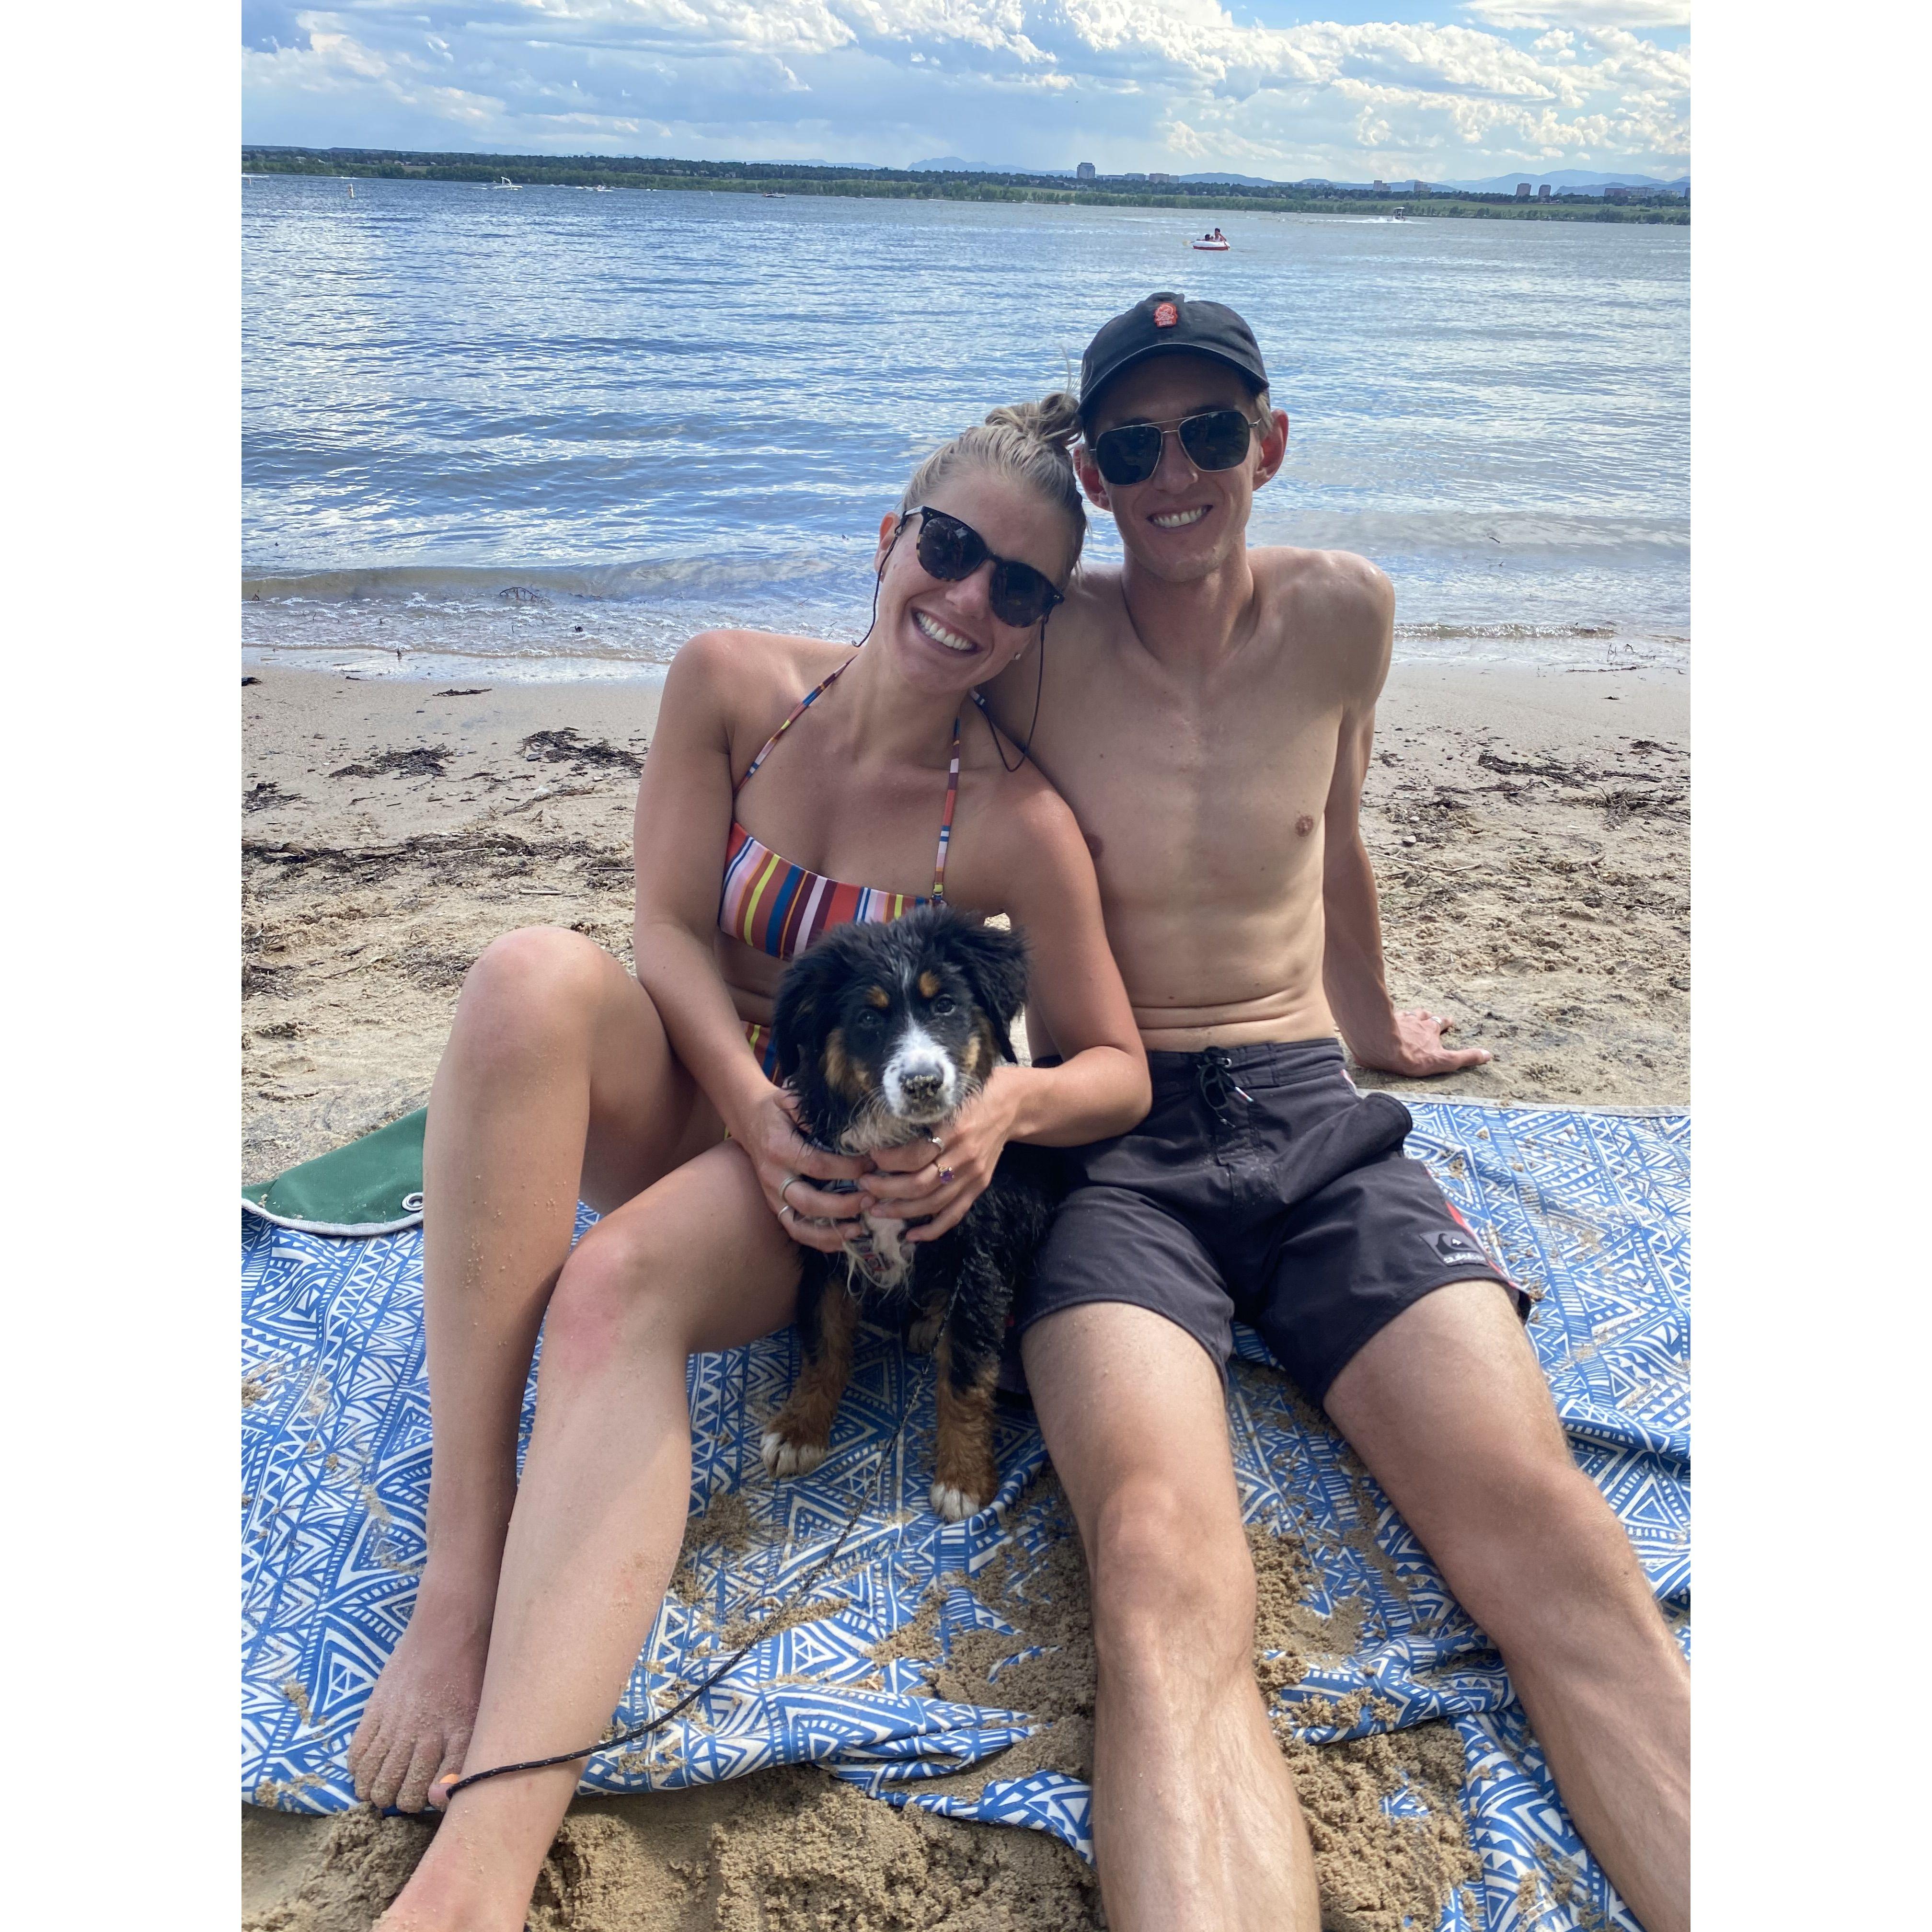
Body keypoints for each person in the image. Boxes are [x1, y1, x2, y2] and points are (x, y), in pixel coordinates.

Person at [351, 398, 1151, 1932]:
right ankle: (463, 1578)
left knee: (607, 1292)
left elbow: (1115, 1067)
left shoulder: (1019, 824)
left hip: (836, 1184)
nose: (970, 598)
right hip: (719, 1098)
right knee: (527, 974)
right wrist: (746, 1099)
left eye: (1021, 587)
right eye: (951, 547)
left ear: (1043, 619)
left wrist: (999, 1112)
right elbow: (662, 928)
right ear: (891, 538)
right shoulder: (732, 686)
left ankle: (485, 1867)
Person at [966, 292, 1690, 1932]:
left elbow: (1332, 833)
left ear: (1269, 445)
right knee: (1158, 1568)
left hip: (1312, 1114)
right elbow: (873, 746)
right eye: (1133, 445)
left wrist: (1374, 1028)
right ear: (1094, 474)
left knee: (1551, 1537)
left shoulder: (1349, 613)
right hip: (1111, 1139)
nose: (1175, 474)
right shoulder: (1039, 643)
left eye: (1210, 433)